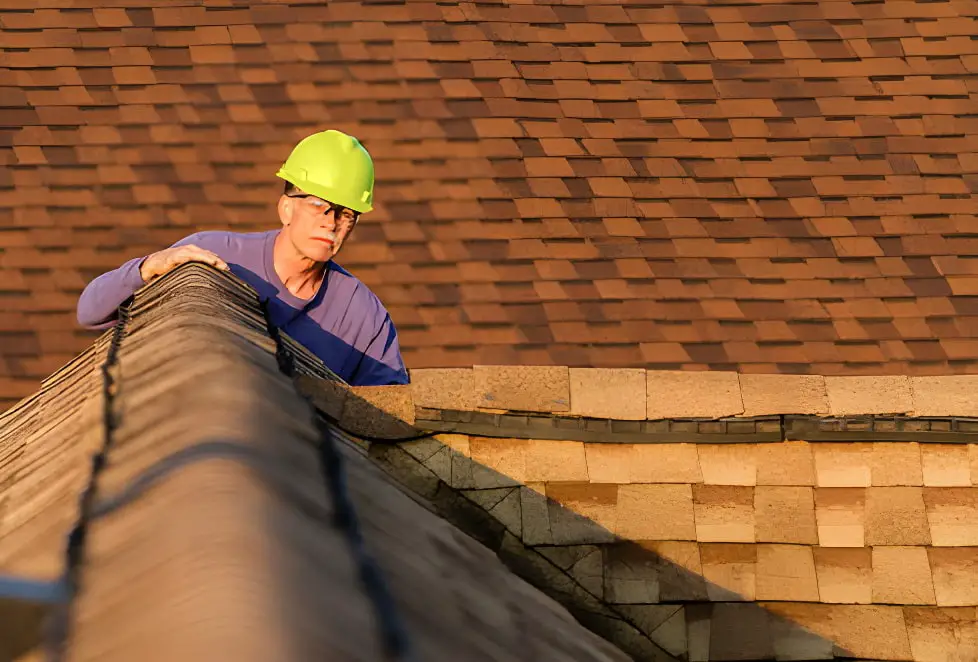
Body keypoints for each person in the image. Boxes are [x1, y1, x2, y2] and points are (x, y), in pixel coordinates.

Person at [76, 129, 409, 386]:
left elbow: (393, 419)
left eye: (347, 214)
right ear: (286, 207)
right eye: (321, 206)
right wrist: (147, 268)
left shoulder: (365, 318)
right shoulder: (213, 257)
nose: (331, 222)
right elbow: (90, 311)